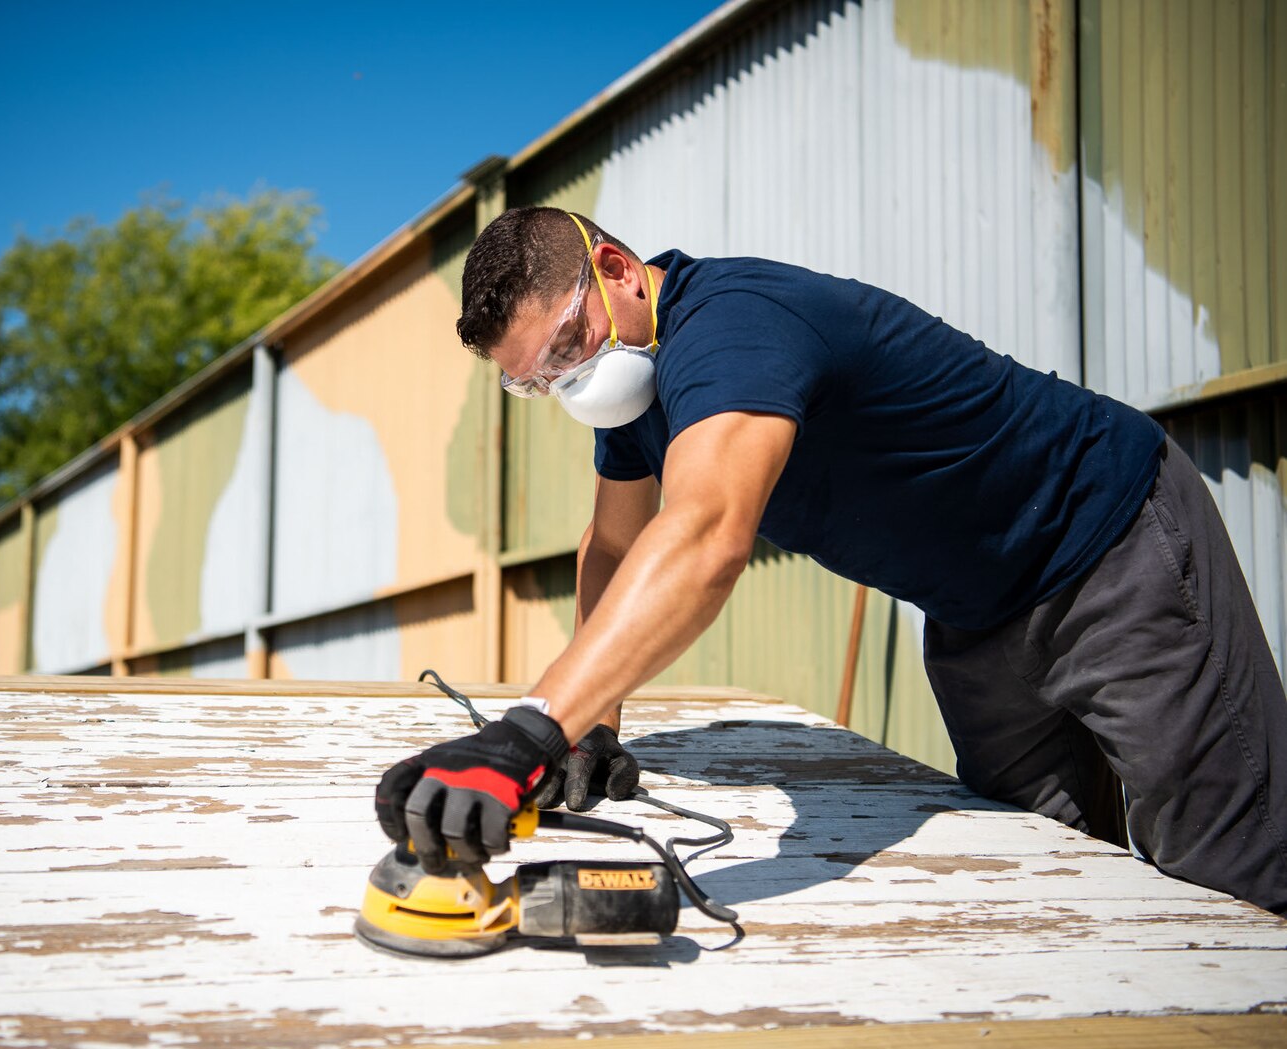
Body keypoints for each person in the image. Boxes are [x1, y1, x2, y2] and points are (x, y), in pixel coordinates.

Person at [374, 206, 1287, 916]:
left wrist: (529, 731)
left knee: (1229, 880)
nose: (568, 384)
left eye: (567, 350)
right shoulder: (637, 392)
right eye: (535, 381)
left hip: (1109, 544)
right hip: (973, 615)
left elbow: (703, 538)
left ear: (615, 269)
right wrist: (592, 723)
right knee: (1043, 873)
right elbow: (615, 545)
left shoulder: (734, 328)